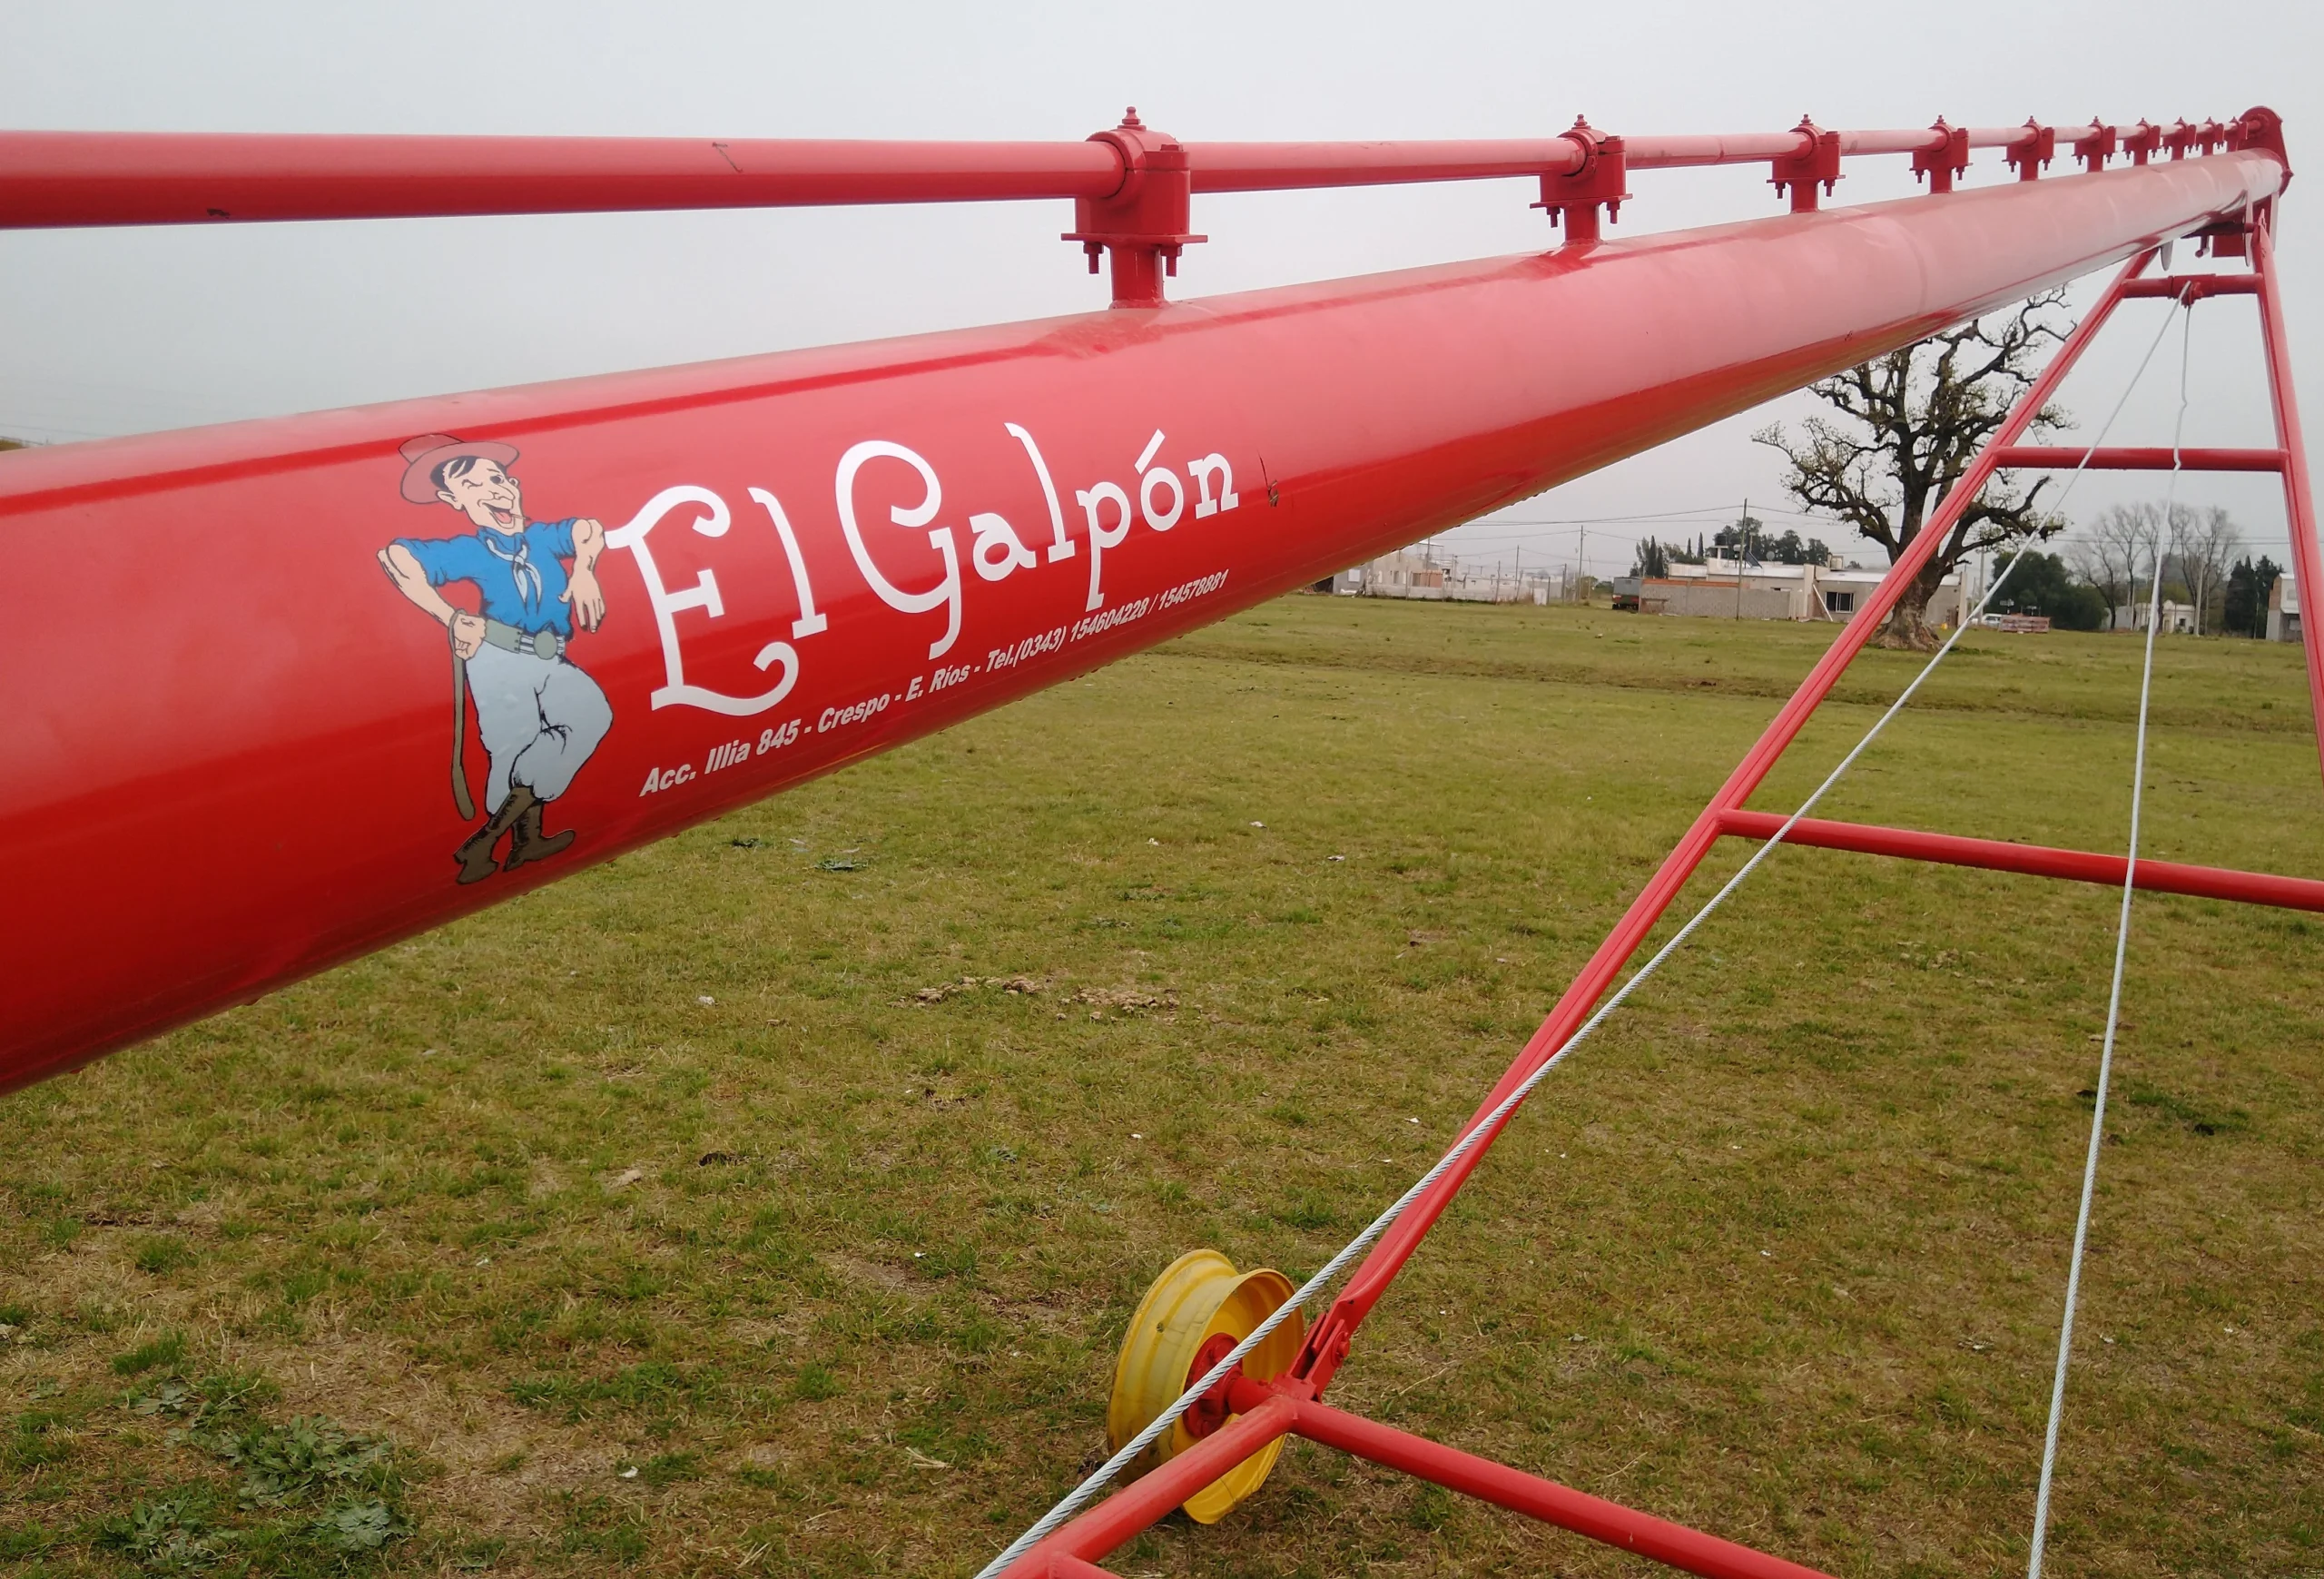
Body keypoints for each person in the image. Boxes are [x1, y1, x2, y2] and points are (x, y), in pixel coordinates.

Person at [378, 434, 613, 883]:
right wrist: (450, 617)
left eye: (499, 478)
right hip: (499, 657)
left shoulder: (540, 539)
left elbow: (588, 529)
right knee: (511, 750)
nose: (496, 489)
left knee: (590, 716)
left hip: (551, 655)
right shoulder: (471, 550)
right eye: (476, 485)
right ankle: (525, 842)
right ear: (454, 500)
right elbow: (396, 556)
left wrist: (584, 569)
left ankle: (484, 841)